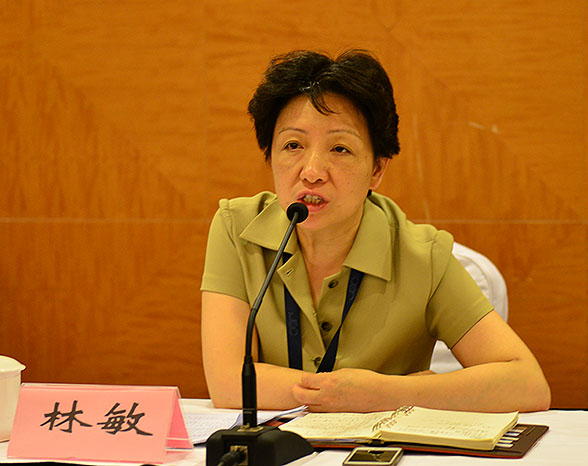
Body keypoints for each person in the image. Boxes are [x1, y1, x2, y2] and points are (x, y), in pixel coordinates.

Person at [200, 49, 551, 414]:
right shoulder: (237, 229)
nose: (312, 171)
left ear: (377, 170)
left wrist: (385, 393)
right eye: (293, 145)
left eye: (340, 148)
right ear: (270, 156)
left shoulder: (423, 257)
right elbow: (228, 383)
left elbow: (527, 384)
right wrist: (343, 394)